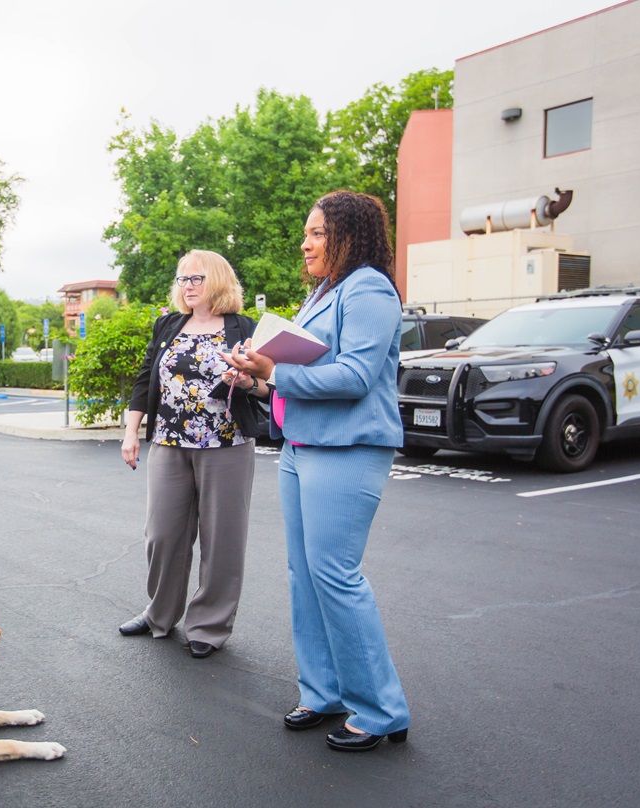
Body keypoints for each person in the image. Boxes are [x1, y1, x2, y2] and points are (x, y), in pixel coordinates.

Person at [224, 190, 410, 752]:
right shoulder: (324, 293)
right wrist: (253, 379)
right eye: (306, 234)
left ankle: (380, 711)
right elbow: (295, 372)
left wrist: (274, 371)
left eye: (318, 234)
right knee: (303, 575)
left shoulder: (370, 288)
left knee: (335, 574)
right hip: (304, 445)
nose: (305, 243)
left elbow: (355, 375)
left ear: (350, 237)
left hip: (350, 447)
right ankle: (324, 691)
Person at [118, 250, 271, 658]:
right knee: (163, 536)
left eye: (195, 279)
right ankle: (159, 614)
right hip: (169, 443)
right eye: (182, 279)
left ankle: (209, 624)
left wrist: (246, 380)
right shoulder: (168, 325)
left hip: (227, 443)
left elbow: (267, 386)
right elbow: (144, 379)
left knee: (223, 539)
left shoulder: (243, 326)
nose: (186, 286)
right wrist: (131, 432)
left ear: (217, 280)